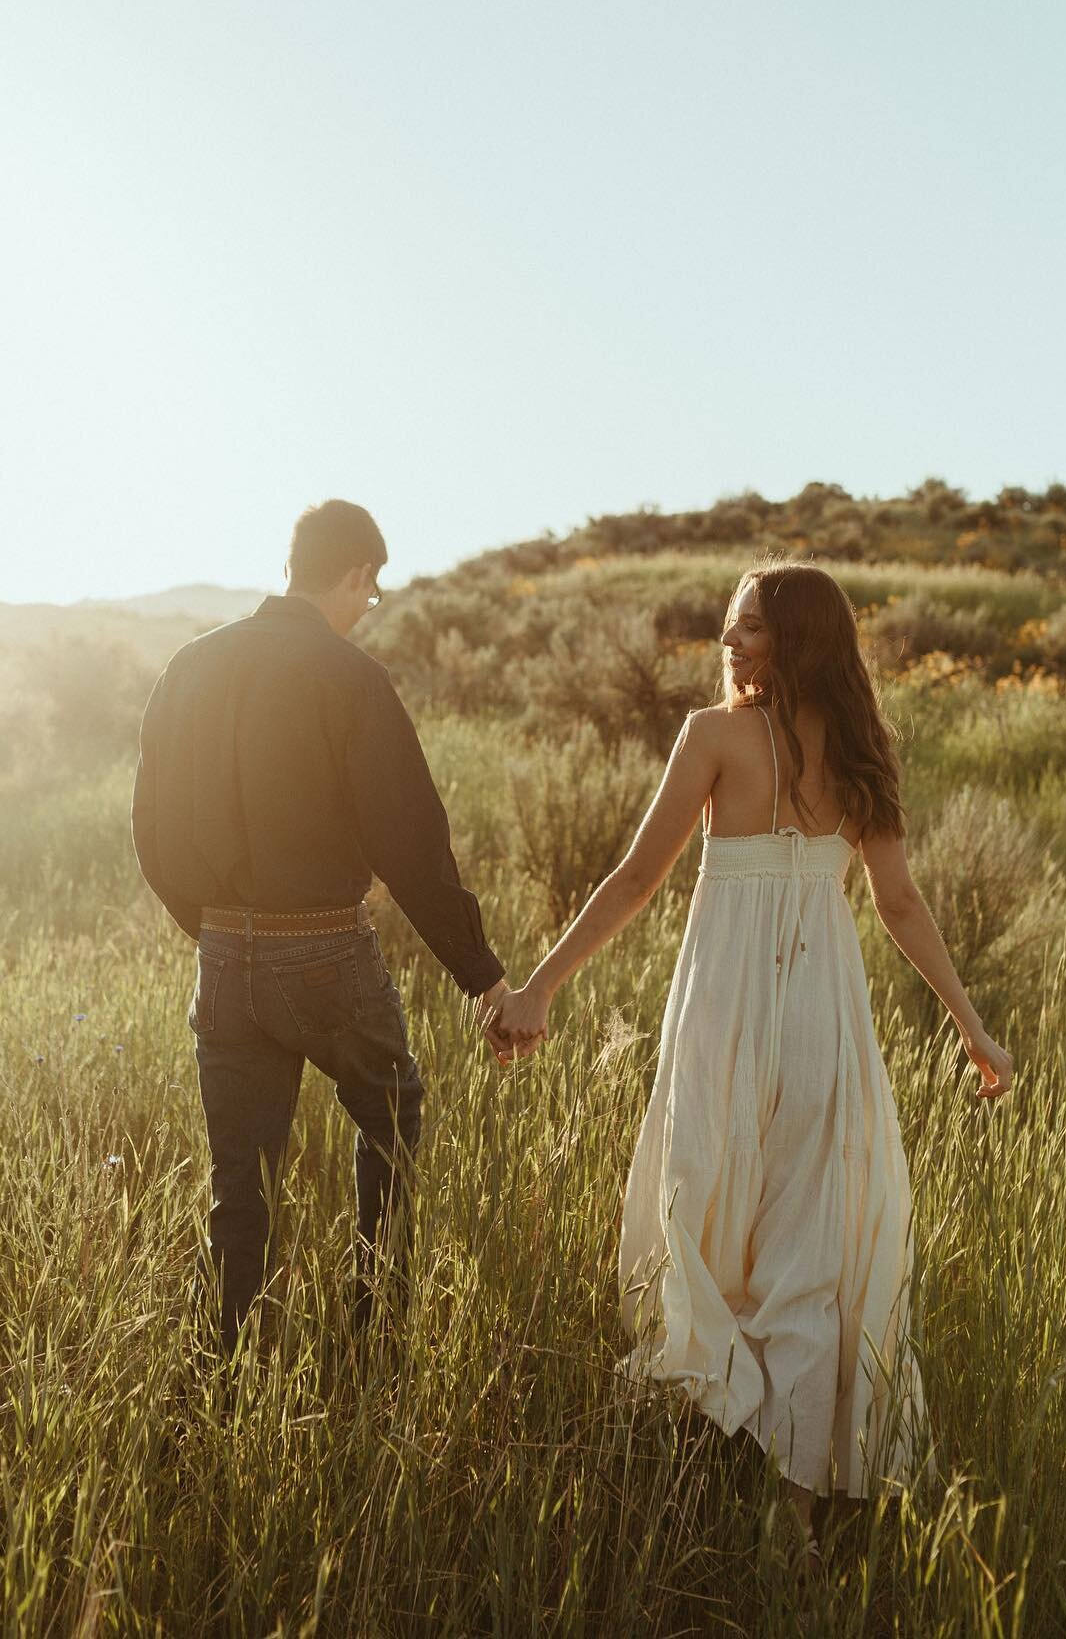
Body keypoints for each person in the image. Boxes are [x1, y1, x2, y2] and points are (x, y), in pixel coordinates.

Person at [491, 560, 1015, 1572]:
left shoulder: (712, 738)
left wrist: (541, 989)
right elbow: (896, 905)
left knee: (705, 1218)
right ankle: (788, 1513)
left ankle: (717, 1459)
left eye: (753, 632)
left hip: (729, 1012)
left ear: (801, 642)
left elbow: (637, 878)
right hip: (822, 1015)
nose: (731, 644)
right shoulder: (859, 748)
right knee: (810, 1254)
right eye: (730, 627)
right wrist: (971, 1026)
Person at [131, 499, 509, 1363]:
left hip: (223, 955)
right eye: (369, 594)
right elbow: (411, 844)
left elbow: (150, 829)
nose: (365, 609)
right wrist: (482, 974)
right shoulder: (348, 677)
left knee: (241, 1183)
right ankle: (374, 1341)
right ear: (355, 576)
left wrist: (216, 930)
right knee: (391, 1119)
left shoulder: (189, 666)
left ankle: (220, 1378)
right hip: (327, 950)